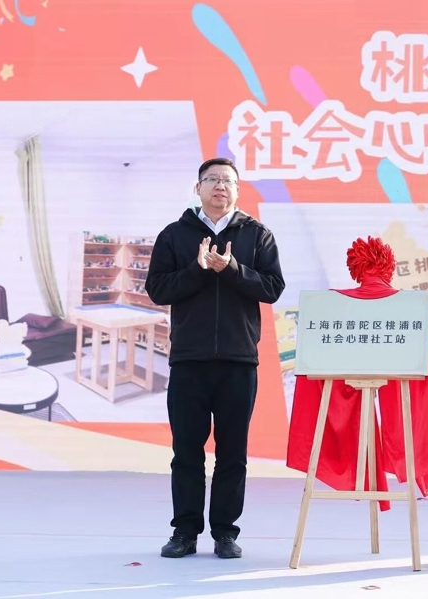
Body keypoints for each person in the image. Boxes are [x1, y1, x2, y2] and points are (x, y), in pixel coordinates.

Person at [145, 157, 285, 559]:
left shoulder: (257, 234)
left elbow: (272, 288)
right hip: (188, 360)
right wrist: (198, 268)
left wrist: (232, 269)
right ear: (198, 188)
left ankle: (225, 532)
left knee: (232, 454)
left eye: (227, 180)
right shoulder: (175, 234)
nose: (220, 186)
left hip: (239, 361)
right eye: (212, 179)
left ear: (237, 190)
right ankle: (184, 533)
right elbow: (158, 289)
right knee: (186, 452)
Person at [286, 236, 428, 509]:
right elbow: (425, 388)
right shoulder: (411, 308)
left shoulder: (327, 306)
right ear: (389, 266)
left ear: (355, 268)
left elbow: (313, 375)